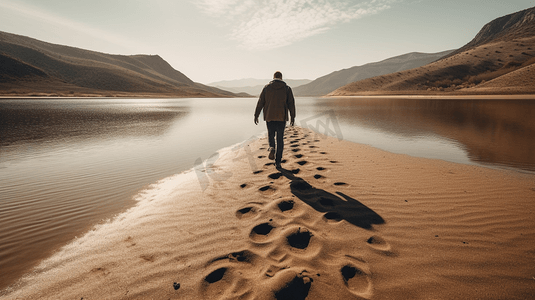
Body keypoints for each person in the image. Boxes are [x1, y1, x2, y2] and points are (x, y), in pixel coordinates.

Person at [254, 71, 296, 169]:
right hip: (282, 118)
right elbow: (291, 104)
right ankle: (278, 162)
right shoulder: (287, 89)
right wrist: (292, 117)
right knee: (280, 139)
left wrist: (256, 115)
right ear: (281, 78)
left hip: (269, 117)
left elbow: (260, 102)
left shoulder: (266, 88)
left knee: (271, 135)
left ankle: (272, 147)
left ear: (273, 77)